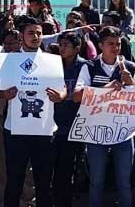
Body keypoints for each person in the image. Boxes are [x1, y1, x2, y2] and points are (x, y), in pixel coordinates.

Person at [0, 16, 66, 207]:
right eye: (31, 33)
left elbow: (62, 87)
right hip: (15, 130)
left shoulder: (51, 60)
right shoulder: (9, 60)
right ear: (21, 35)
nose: (35, 37)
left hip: (44, 130)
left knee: (44, 182)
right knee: (14, 180)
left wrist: (60, 96)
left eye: (39, 33)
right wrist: (2, 93)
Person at [72, 26, 135, 207]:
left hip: (123, 131)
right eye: (111, 44)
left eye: (118, 44)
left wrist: (131, 83)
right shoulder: (89, 66)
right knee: (96, 181)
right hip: (96, 130)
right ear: (101, 45)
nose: (115, 48)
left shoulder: (130, 67)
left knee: (124, 182)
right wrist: (106, 88)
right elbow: (77, 96)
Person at [0, 28, 34, 207]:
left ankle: (26, 200)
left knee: (26, 164)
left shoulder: (31, 61)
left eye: (11, 43)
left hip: (26, 117)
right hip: (0, 115)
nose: (7, 47)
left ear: (20, 42)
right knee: (1, 162)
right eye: (5, 44)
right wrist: (2, 90)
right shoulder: (0, 60)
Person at [52, 31, 89, 207]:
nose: (62, 48)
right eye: (60, 45)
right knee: (53, 167)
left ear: (77, 47)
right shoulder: (54, 65)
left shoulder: (85, 67)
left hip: (75, 123)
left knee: (69, 168)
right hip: (54, 123)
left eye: (66, 45)